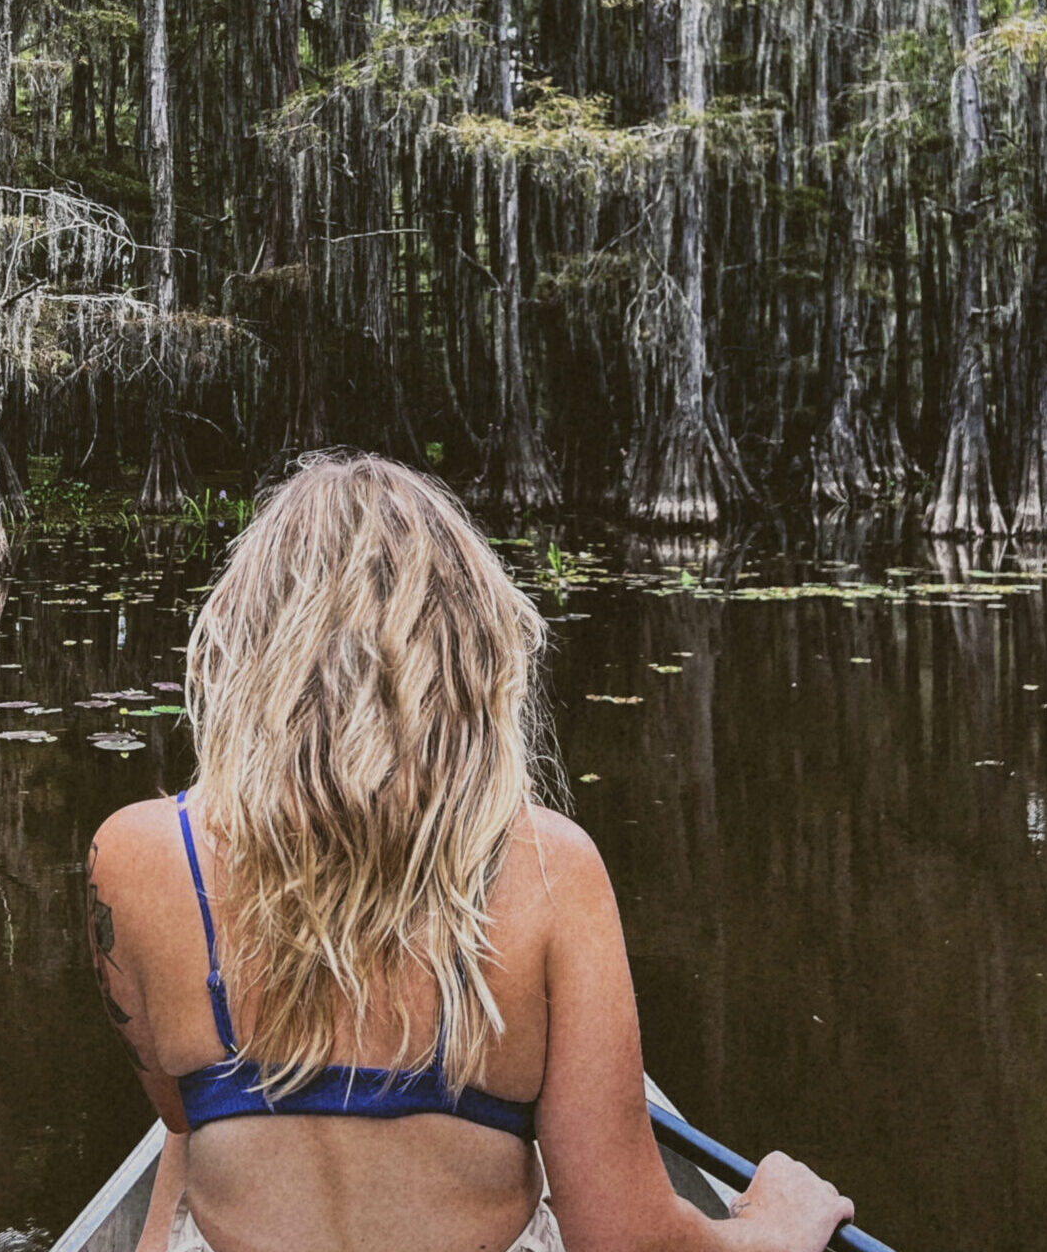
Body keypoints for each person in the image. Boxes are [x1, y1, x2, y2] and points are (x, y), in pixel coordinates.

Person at [86, 453, 853, 1252]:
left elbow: (178, 1111)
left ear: (252, 647)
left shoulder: (132, 855)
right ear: (469, 652)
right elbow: (626, 1243)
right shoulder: (553, 869)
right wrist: (772, 1228)